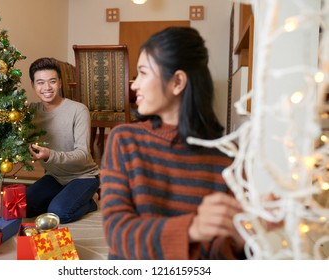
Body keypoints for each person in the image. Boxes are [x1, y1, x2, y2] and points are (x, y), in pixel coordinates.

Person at [100, 27, 245, 259]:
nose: (134, 84)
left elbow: (217, 254)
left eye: (143, 73)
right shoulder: (124, 140)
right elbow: (117, 233)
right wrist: (192, 228)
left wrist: (243, 238)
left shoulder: (226, 156)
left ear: (177, 82)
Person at [26, 57, 100, 223]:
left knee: (58, 213)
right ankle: (65, 196)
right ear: (33, 85)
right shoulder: (30, 112)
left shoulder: (78, 110)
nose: (46, 88)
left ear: (59, 82)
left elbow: (82, 154)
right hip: (55, 176)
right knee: (26, 206)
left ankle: (92, 201)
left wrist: (51, 155)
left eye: (52, 81)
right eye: (40, 82)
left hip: (83, 176)